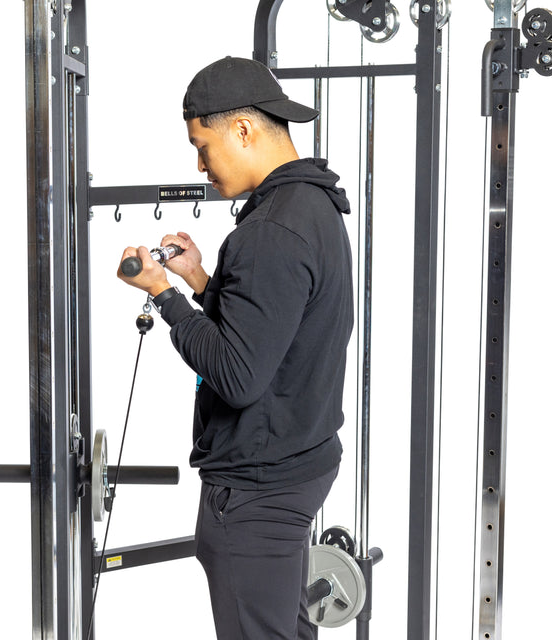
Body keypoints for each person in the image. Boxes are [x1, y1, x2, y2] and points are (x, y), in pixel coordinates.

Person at [118, 56, 353, 640]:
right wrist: (201, 282)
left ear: (242, 129)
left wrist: (165, 295)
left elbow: (239, 375)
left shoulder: (270, 230)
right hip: (296, 466)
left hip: (257, 492)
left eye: (202, 145)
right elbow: (273, 327)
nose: (198, 164)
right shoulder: (311, 204)